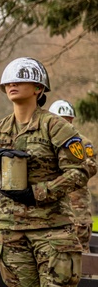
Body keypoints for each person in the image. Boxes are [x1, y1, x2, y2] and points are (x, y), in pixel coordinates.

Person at [0, 58, 91, 287]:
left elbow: (79, 171)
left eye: (20, 80)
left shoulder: (56, 127)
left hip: (53, 231)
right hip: (12, 233)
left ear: (38, 89)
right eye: (8, 82)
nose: (12, 84)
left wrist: (39, 193)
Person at [48, 99, 96, 252]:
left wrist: (66, 172)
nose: (65, 123)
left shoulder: (82, 142)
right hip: (50, 209)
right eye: (61, 120)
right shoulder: (44, 142)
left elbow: (91, 167)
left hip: (76, 207)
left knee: (80, 249)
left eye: (68, 120)